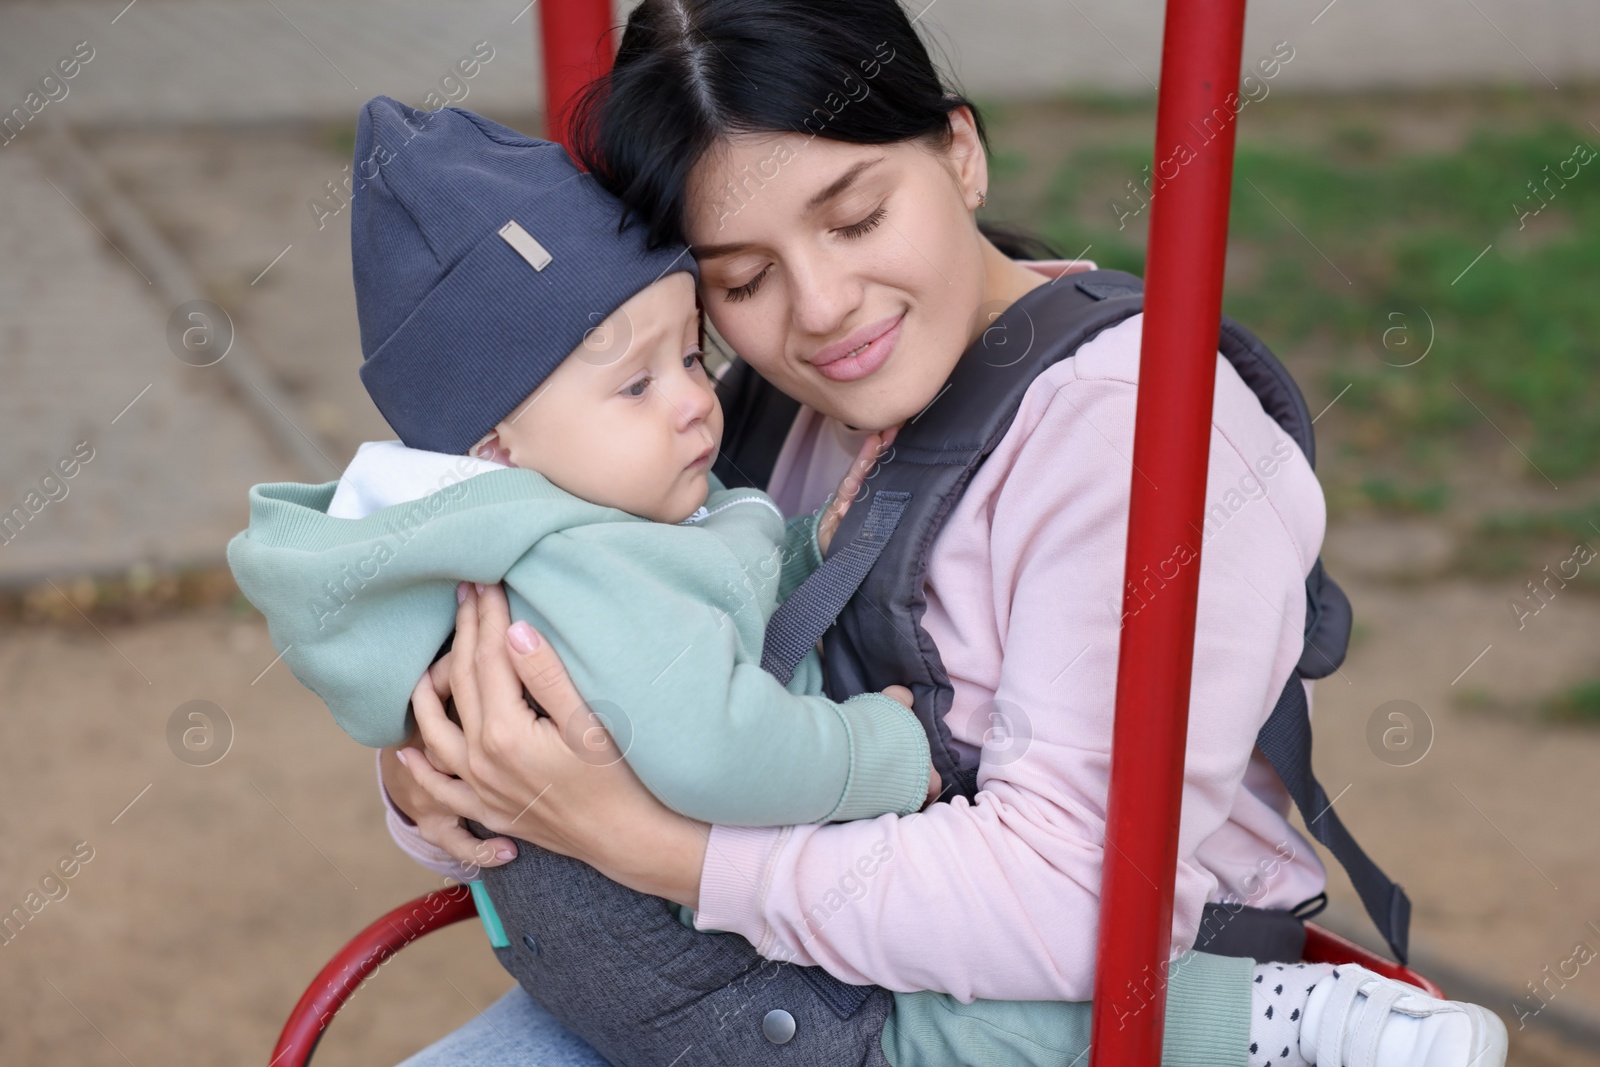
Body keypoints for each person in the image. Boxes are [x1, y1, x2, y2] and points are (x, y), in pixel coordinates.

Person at [378, 3, 1508, 1066]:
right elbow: (606, 674)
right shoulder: (731, 416)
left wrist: (651, 850)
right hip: (752, 980)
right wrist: (453, 779)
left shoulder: (1140, 439)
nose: (820, 306)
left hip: (1060, 1018)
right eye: (744, 278)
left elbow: (1084, 901)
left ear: (960, 154)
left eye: (856, 216)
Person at [230, 98, 940, 833]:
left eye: (693, 356)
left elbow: (711, 602)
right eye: (636, 384)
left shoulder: (597, 515)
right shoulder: (580, 566)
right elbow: (712, 747)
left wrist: (805, 550)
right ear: (497, 449)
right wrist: (869, 755)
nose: (695, 399)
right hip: (701, 938)